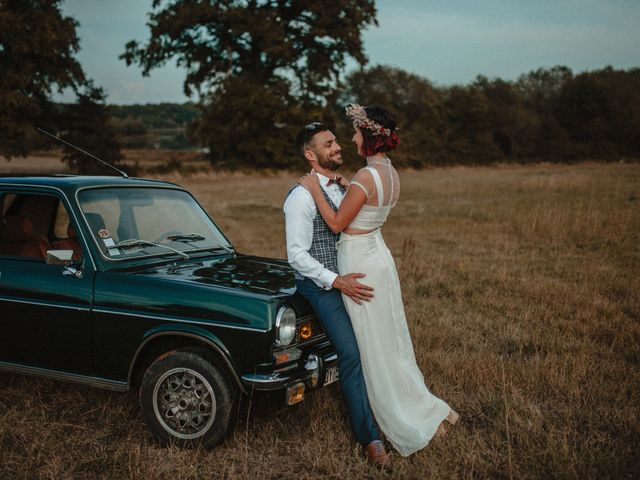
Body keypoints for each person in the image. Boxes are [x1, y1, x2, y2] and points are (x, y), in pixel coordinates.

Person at [299, 104, 459, 457]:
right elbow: (368, 202)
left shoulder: (364, 177)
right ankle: (426, 405)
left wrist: (314, 189)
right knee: (391, 338)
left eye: (356, 132)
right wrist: (345, 182)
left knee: (372, 344)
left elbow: (338, 223)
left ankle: (402, 414)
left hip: (359, 259)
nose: (351, 138)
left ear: (368, 136)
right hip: (379, 255)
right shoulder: (389, 173)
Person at [283, 122, 392, 468]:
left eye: (336, 142)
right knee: (351, 351)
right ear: (311, 155)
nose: (338, 147)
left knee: (376, 343)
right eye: (328, 145)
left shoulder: (346, 187)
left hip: (350, 278)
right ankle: (370, 438)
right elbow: (297, 255)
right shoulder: (301, 197)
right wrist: (335, 281)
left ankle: (389, 413)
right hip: (320, 285)